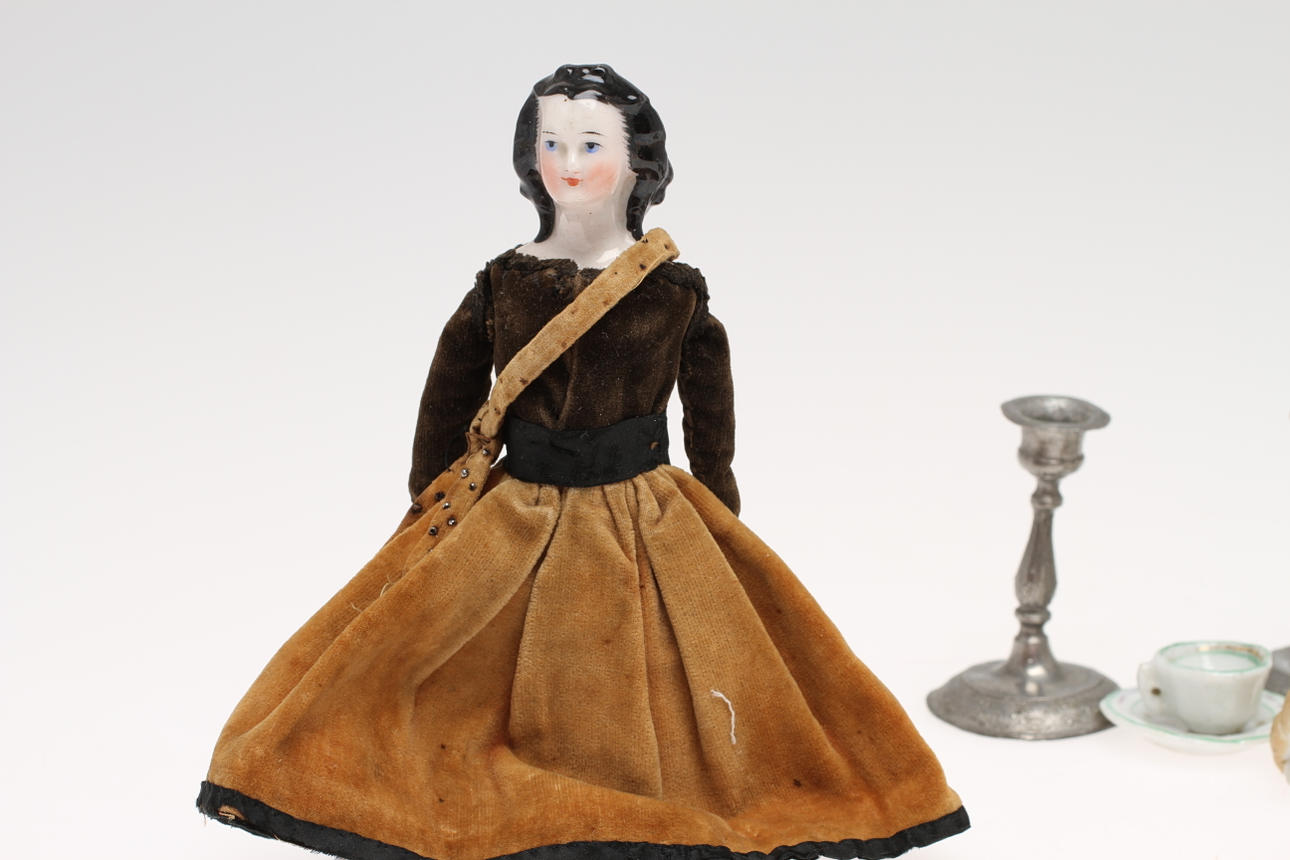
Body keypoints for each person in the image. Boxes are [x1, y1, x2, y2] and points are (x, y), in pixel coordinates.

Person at [198, 63, 968, 860]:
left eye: (591, 144)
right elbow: (449, 393)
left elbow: (711, 416)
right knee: (430, 665)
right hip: (516, 512)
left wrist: (720, 518)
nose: (567, 163)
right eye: (552, 143)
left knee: (681, 674)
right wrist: (431, 498)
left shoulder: (673, 291)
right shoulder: (503, 283)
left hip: (645, 517)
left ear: (638, 162)